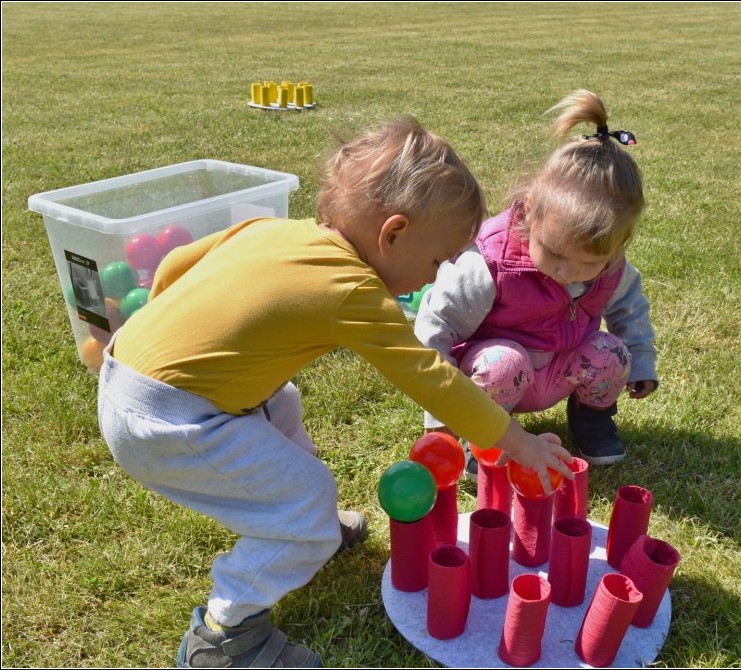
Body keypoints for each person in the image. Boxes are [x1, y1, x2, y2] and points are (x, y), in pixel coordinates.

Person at [97, 117, 574, 668]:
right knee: (307, 501)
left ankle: (306, 526)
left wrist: (158, 338)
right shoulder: (353, 288)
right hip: (167, 421)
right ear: (392, 234)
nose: (433, 278)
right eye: (435, 261)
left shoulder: (274, 230)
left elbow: (176, 265)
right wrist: (518, 442)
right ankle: (225, 634)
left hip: (130, 374)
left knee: (283, 400)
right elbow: (434, 379)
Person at [415, 90, 658, 476]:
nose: (569, 273)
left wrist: (642, 360)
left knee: (611, 353)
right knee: (503, 363)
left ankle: (591, 419)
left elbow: (630, 310)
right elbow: (435, 326)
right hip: (493, 375)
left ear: (619, 245)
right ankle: (483, 434)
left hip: (559, 368)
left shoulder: (611, 266)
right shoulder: (489, 262)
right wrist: (442, 414)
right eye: (555, 254)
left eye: (589, 263)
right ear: (530, 211)